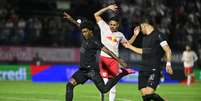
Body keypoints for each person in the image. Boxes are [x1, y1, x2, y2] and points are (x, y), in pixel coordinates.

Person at [63, 12, 132, 101]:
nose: (83, 33)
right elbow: (79, 25)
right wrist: (71, 19)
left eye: (85, 31)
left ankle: (122, 73)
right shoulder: (85, 37)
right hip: (82, 71)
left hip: (92, 71)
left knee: (104, 90)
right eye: (82, 31)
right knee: (69, 85)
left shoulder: (95, 42)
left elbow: (108, 51)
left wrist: (119, 61)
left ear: (90, 31)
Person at [127, 20, 173, 101]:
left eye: (140, 30)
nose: (140, 32)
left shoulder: (158, 35)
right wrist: (134, 35)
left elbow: (168, 50)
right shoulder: (144, 38)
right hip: (143, 68)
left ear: (144, 26)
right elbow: (128, 44)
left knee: (149, 93)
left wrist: (168, 64)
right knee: (145, 96)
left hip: (154, 68)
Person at [94, 4, 131, 101]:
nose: (112, 26)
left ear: (118, 25)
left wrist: (135, 35)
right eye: (111, 24)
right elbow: (96, 15)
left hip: (115, 60)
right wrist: (107, 8)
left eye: (114, 25)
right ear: (108, 23)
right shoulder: (104, 27)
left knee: (113, 86)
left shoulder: (120, 35)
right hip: (104, 58)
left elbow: (127, 44)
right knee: (105, 84)